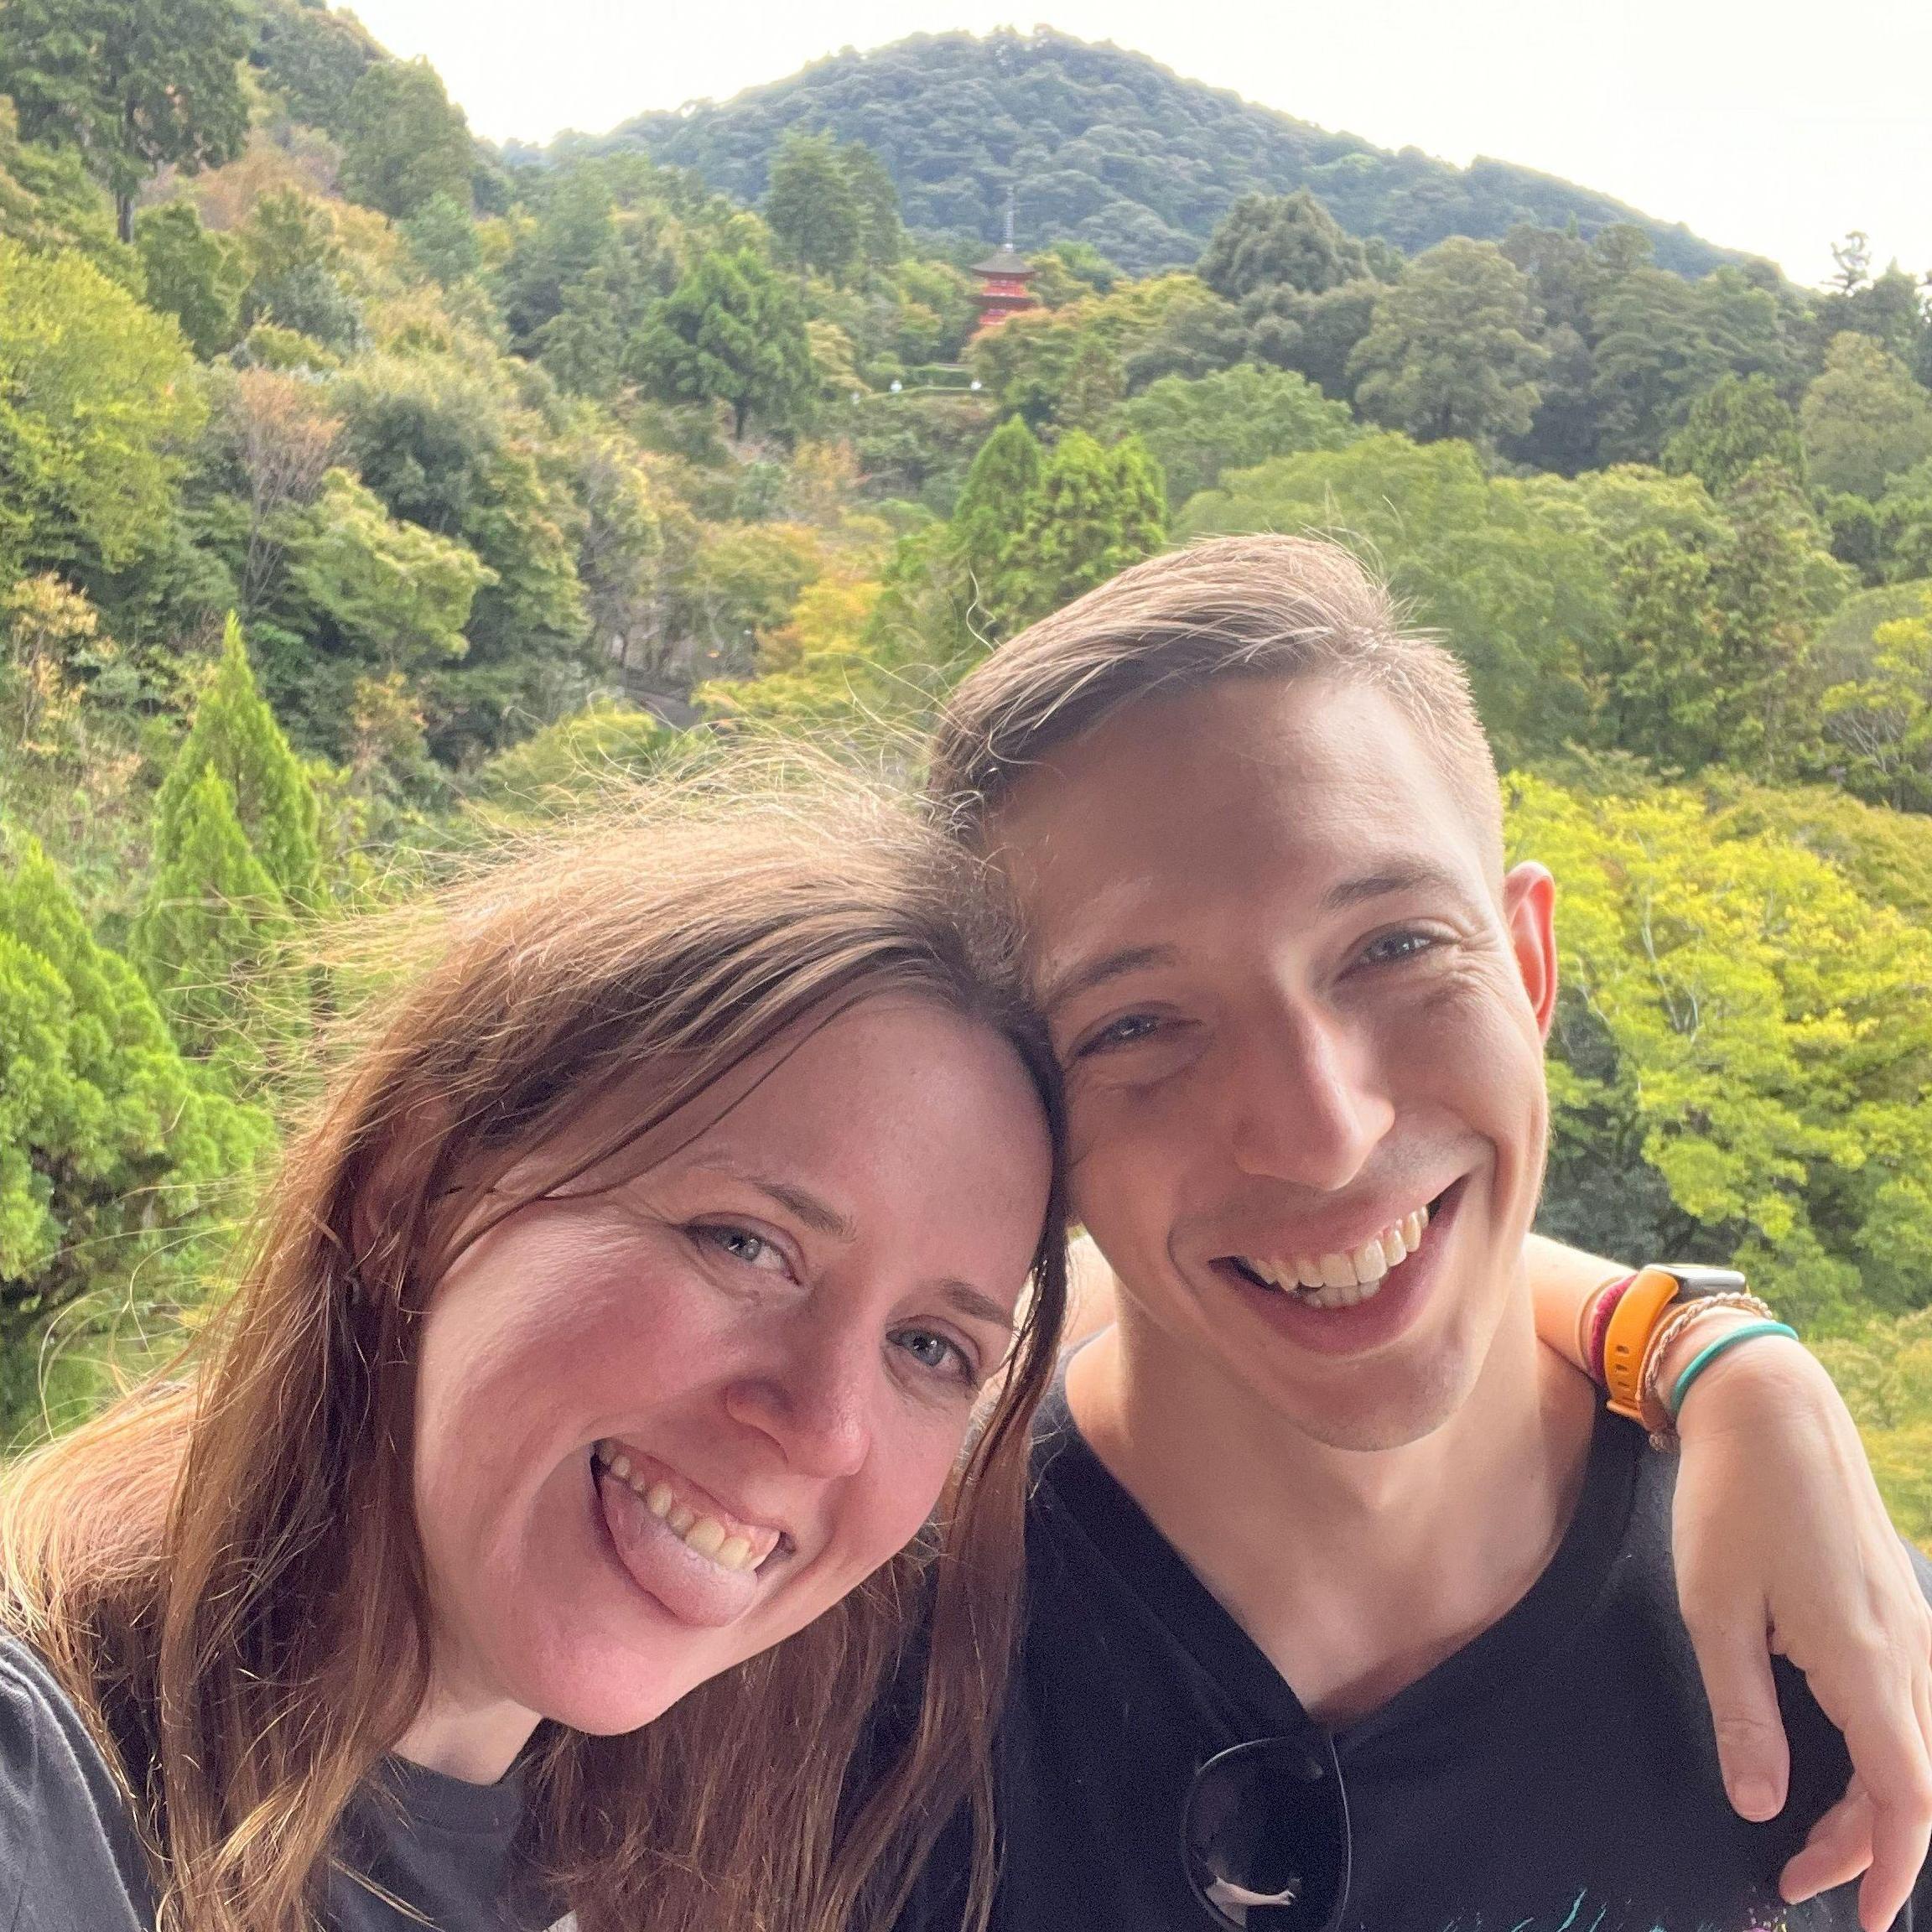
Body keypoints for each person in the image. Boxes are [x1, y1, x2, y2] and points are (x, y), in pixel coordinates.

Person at [896, 535, 1932, 1932]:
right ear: (1030, 1114)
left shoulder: (1853, 1665)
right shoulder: (857, 1679)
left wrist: (1719, 1345)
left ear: (1530, 964)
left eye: (1393, 947)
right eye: (1136, 1025)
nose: (1322, 1130)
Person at [0, 781, 1070, 1932]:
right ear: (409, 1190)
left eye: (929, 1346)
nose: (825, 1427)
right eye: (744, 1243)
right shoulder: (37, 1794)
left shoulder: (649, 1858)